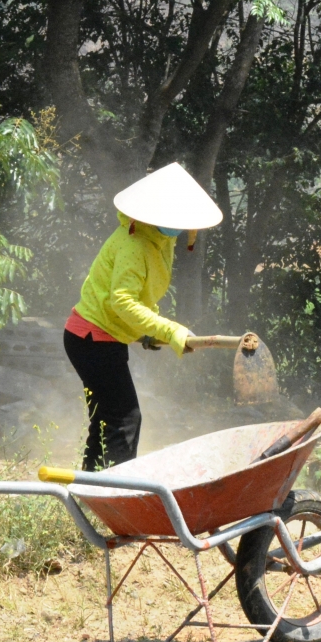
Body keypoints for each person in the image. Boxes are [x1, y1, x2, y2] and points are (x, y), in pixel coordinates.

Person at [64, 164, 222, 469]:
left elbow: (137, 299)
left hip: (96, 338)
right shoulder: (135, 243)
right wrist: (169, 330)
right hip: (93, 339)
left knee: (106, 420)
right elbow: (122, 301)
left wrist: (147, 332)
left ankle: (90, 488)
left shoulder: (160, 240)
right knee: (125, 419)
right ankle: (117, 489)